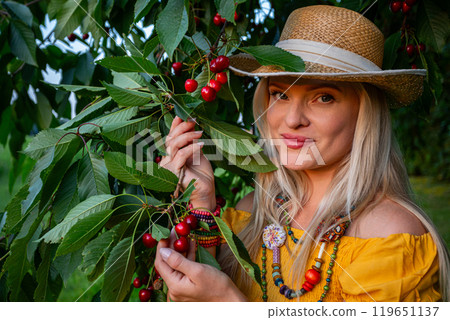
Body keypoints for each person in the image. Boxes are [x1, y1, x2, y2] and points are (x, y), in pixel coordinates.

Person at [154, 5, 449, 302]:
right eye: (280, 94)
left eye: (324, 97)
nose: (293, 119)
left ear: (365, 113)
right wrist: (202, 203)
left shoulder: (389, 236)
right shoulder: (252, 212)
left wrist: (229, 303)